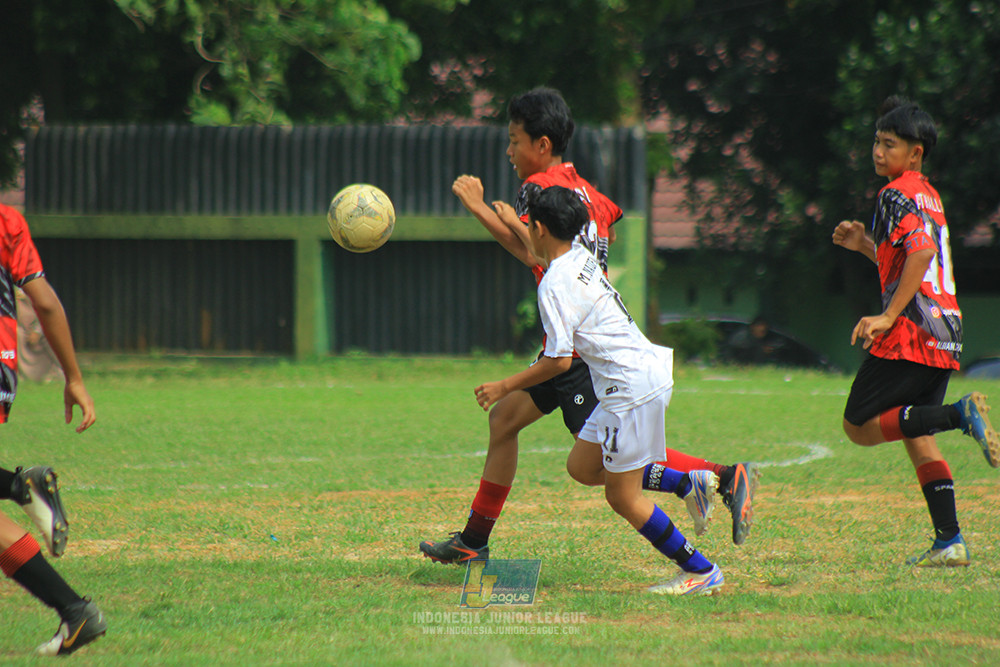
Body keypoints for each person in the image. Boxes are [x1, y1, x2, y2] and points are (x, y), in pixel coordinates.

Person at [420, 88, 757, 564]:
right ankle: (474, 540)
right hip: (573, 341)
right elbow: (609, 226)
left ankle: (715, 477)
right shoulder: (582, 188)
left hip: (576, 355)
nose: (510, 152)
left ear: (541, 144)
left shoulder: (538, 187)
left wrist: (477, 208)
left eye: (514, 141)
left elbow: (531, 251)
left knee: (605, 466)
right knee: (508, 422)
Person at [475, 185, 724, 594]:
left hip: (630, 386)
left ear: (538, 228)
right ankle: (688, 482)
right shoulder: (581, 257)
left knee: (622, 497)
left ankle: (700, 571)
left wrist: (505, 385)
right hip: (637, 376)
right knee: (583, 467)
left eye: (527, 225)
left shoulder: (553, 284)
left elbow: (558, 360)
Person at [831, 96, 999, 568]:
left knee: (858, 426)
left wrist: (886, 317)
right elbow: (913, 261)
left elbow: (921, 254)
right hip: (946, 329)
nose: (878, 152)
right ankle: (950, 540)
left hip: (912, 331)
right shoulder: (927, 193)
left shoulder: (893, 194)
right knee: (915, 431)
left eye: (890, 144)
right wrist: (867, 246)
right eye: (877, 142)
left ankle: (959, 414)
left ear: (916, 152)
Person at [0, 202, 106, 655]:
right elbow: (43, 301)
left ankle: (73, 610)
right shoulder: (7, 221)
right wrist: (74, 378)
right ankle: (22, 485)